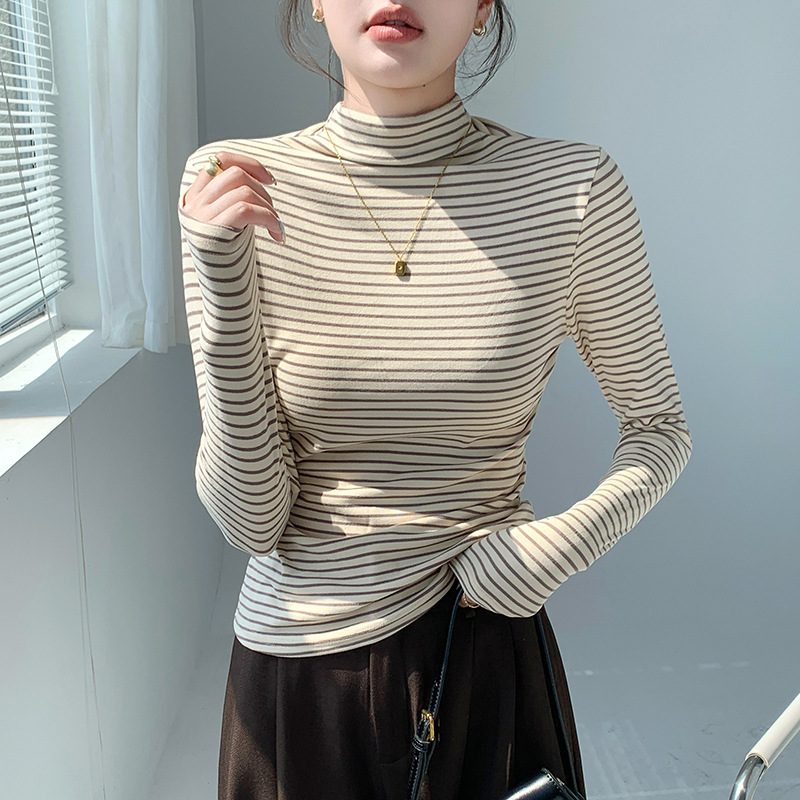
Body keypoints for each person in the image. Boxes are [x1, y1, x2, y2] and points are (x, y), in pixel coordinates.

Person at [176, 1, 692, 798]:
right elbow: (253, 522)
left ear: (483, 8)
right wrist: (222, 286)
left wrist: (553, 549)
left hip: (480, 646)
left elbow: (659, 428)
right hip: (296, 678)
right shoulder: (232, 183)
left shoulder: (571, 189)